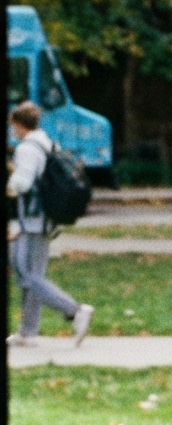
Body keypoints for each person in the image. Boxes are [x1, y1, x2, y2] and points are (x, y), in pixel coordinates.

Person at [8, 103, 94, 346]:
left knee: (27, 274)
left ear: (19, 124)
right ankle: (27, 331)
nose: (12, 131)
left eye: (13, 126)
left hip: (33, 219)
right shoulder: (46, 142)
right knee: (32, 274)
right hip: (45, 219)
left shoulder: (26, 148)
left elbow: (23, 183)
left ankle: (75, 311)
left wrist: (10, 186)